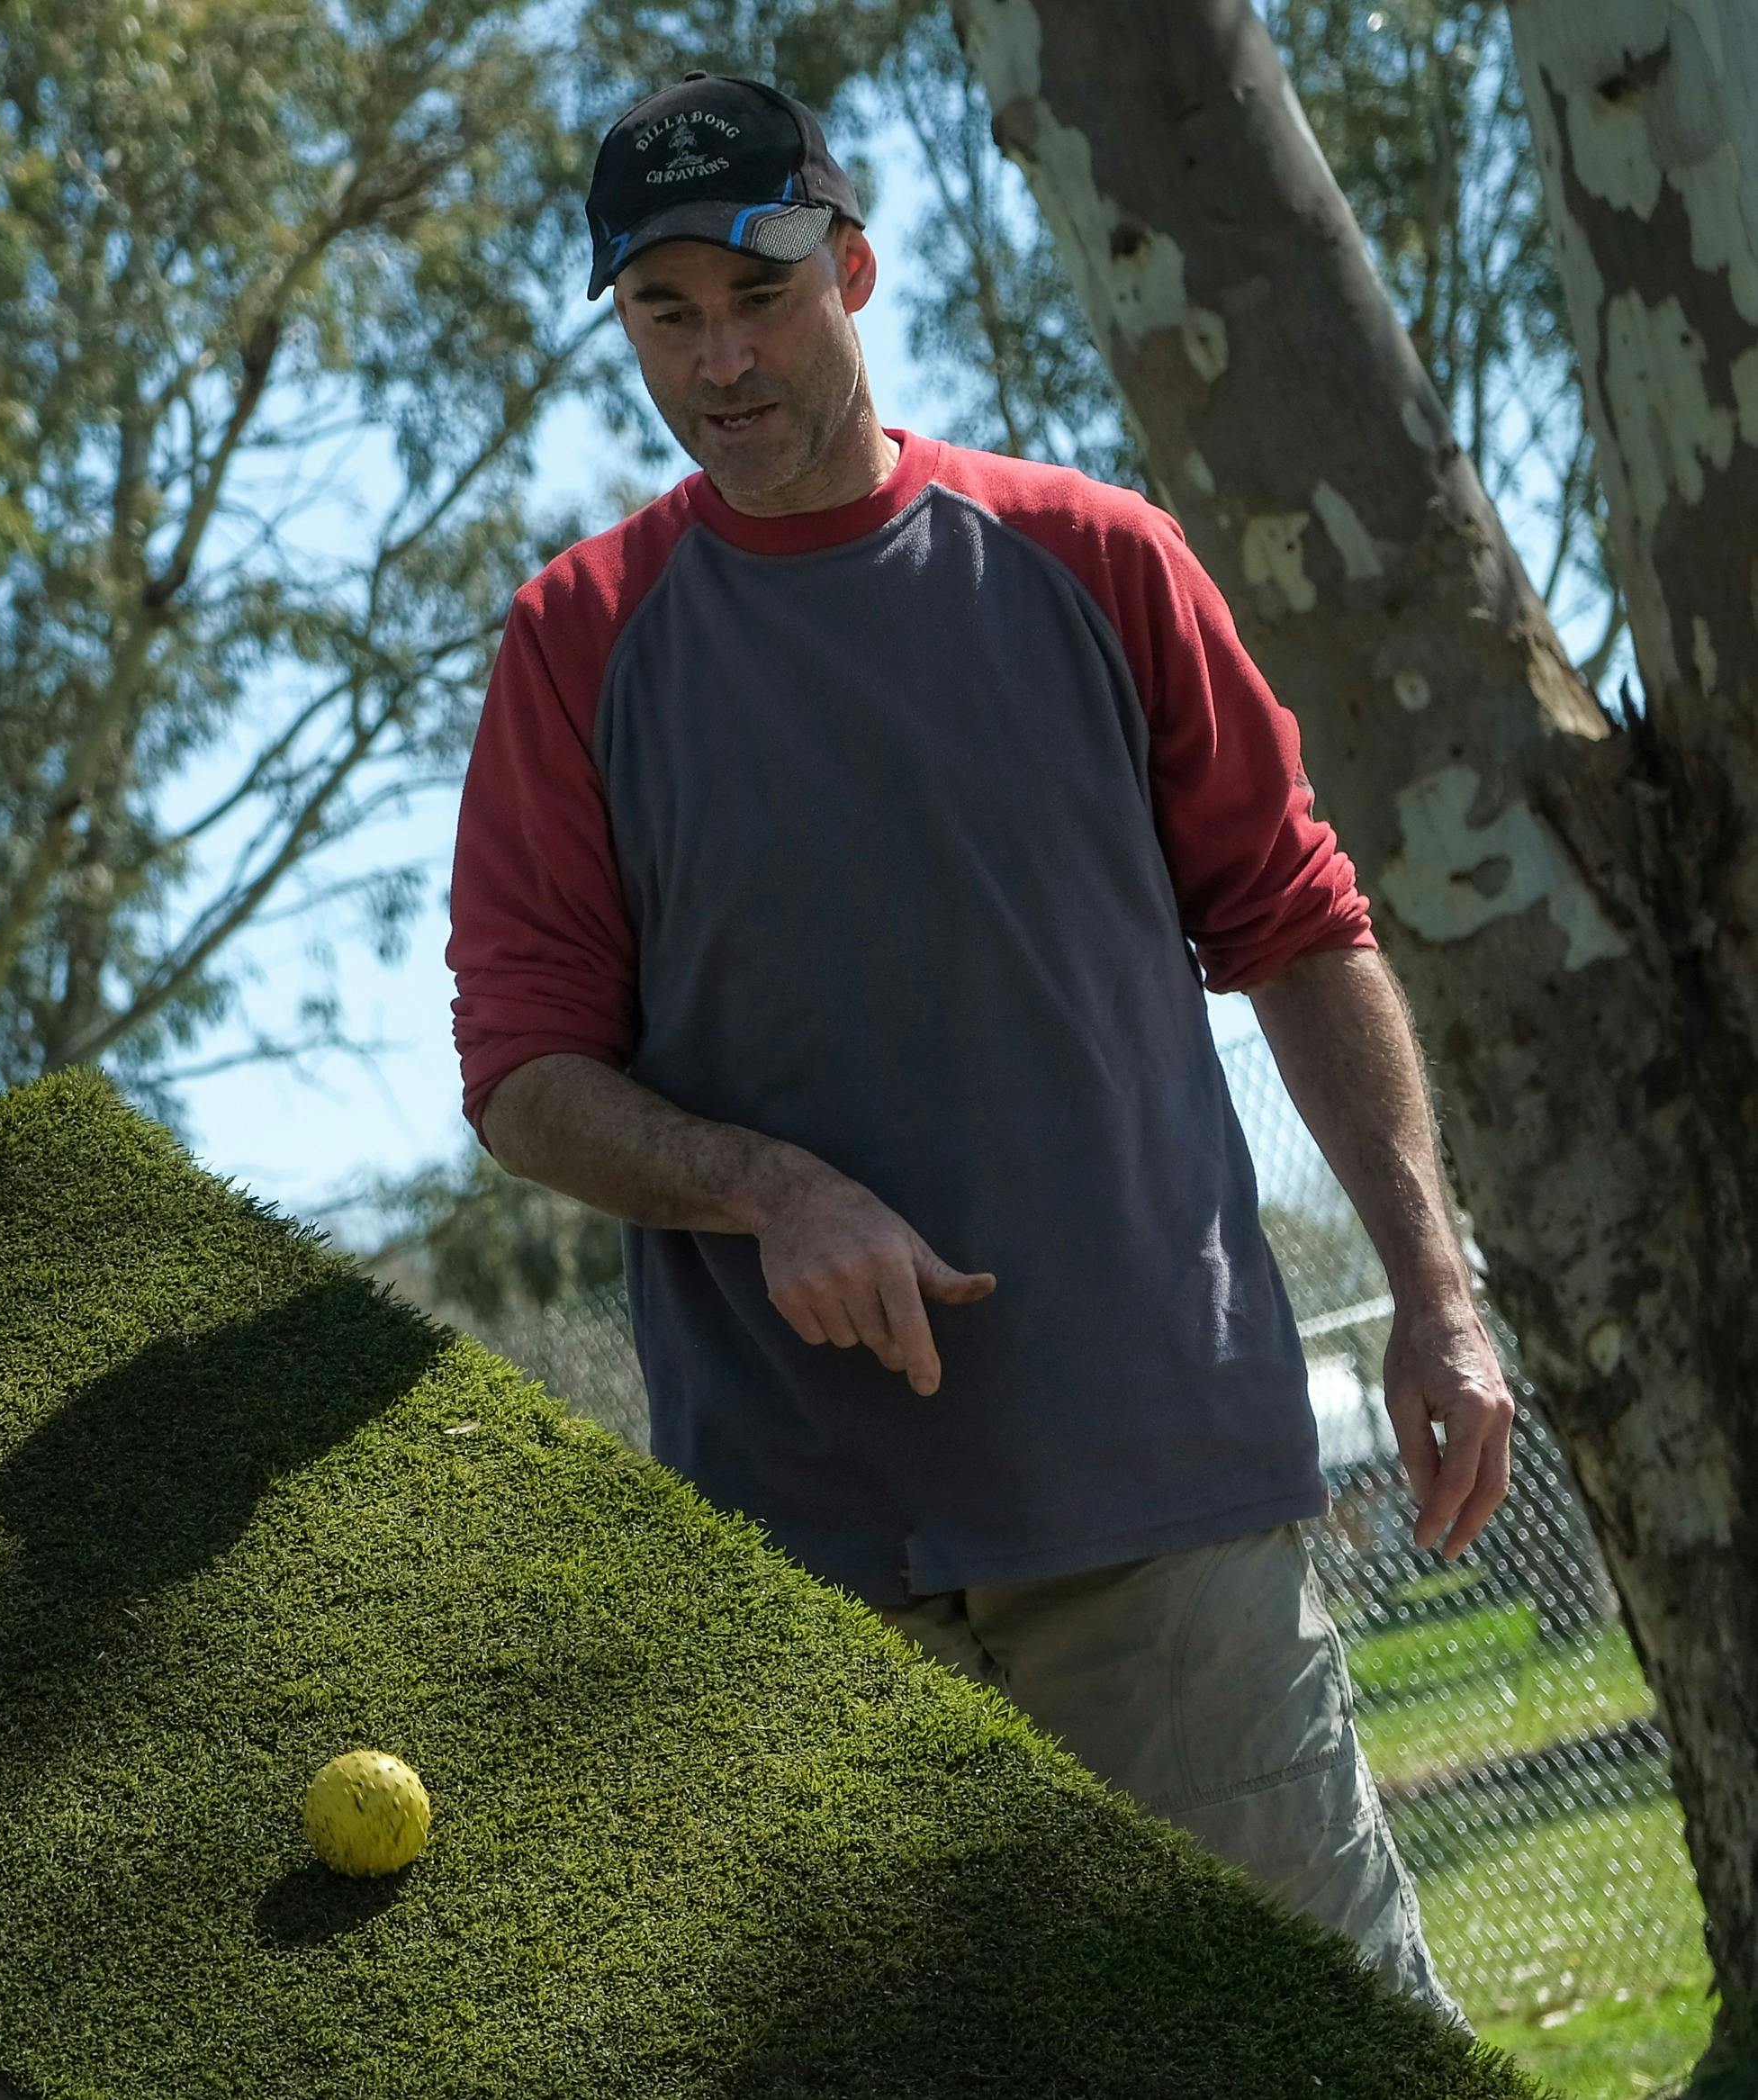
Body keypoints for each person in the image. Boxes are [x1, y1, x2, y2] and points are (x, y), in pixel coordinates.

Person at [446, 70, 1514, 2021]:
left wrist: (1435, 1296)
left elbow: (1299, 927)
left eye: (759, 297)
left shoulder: (1096, 557)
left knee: (1313, 2049)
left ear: (852, 272)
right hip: (803, 1544)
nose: (720, 359)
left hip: (1154, 1483)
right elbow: (521, 1075)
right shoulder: (574, 644)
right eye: (665, 315)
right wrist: (767, 1189)